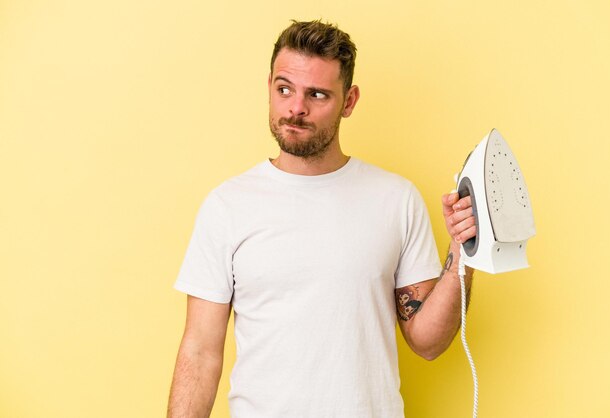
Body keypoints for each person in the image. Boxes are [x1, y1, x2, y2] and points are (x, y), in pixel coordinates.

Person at [167, 20, 476, 418]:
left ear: (349, 101)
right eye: (284, 89)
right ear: (269, 87)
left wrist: (463, 252)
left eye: (317, 94)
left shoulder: (396, 199)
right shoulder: (227, 206)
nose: (296, 108)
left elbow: (428, 342)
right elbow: (200, 352)